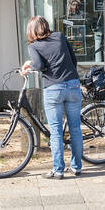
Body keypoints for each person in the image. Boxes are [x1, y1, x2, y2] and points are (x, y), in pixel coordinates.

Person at [21, 16, 83, 179]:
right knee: (75, 129)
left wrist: (28, 64)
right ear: (45, 25)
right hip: (72, 84)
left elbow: (39, 66)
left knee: (55, 132)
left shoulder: (34, 46)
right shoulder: (60, 36)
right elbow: (73, 59)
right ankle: (76, 167)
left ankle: (58, 170)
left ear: (31, 30)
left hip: (53, 88)